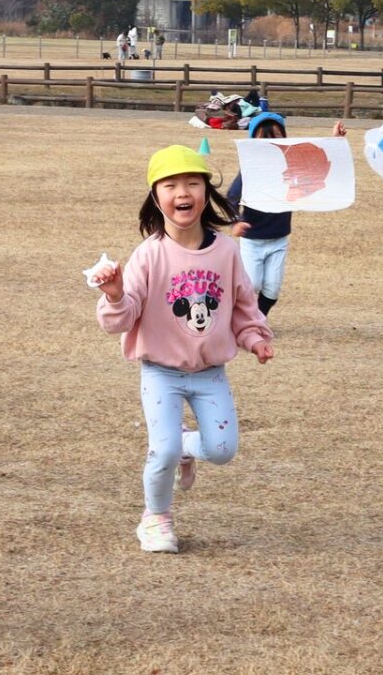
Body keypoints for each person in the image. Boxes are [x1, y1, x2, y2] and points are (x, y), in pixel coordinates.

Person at [94, 145, 273, 554]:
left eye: (192, 183)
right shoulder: (149, 254)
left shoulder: (225, 251)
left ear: (205, 193)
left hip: (210, 373)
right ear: (156, 197)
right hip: (161, 372)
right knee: (164, 448)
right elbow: (117, 321)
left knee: (222, 450)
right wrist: (117, 294)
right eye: (170, 185)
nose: (182, 192)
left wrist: (256, 339)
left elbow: (244, 305)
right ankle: (156, 519)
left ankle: (187, 448)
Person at [223, 111, 347, 318]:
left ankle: (257, 320)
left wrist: (336, 140)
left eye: (277, 137)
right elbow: (231, 198)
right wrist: (235, 222)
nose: (271, 143)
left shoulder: (293, 167)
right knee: (251, 283)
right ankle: (234, 316)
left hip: (279, 238)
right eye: (265, 138)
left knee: (272, 288)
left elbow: (319, 168)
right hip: (252, 240)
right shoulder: (250, 170)